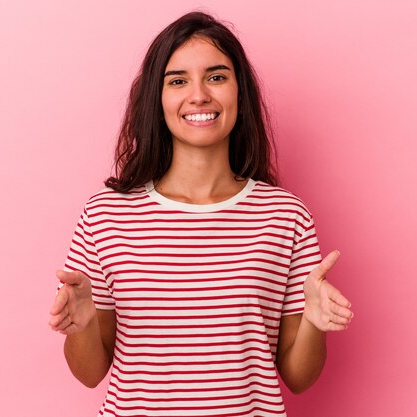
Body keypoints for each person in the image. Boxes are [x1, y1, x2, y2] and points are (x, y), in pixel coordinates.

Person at [49, 11, 353, 417]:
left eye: (216, 77)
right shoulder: (107, 216)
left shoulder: (284, 216)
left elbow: (299, 378)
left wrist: (314, 321)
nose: (199, 95)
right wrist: (83, 326)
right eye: (177, 81)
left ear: (239, 93)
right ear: (157, 101)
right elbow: (89, 374)